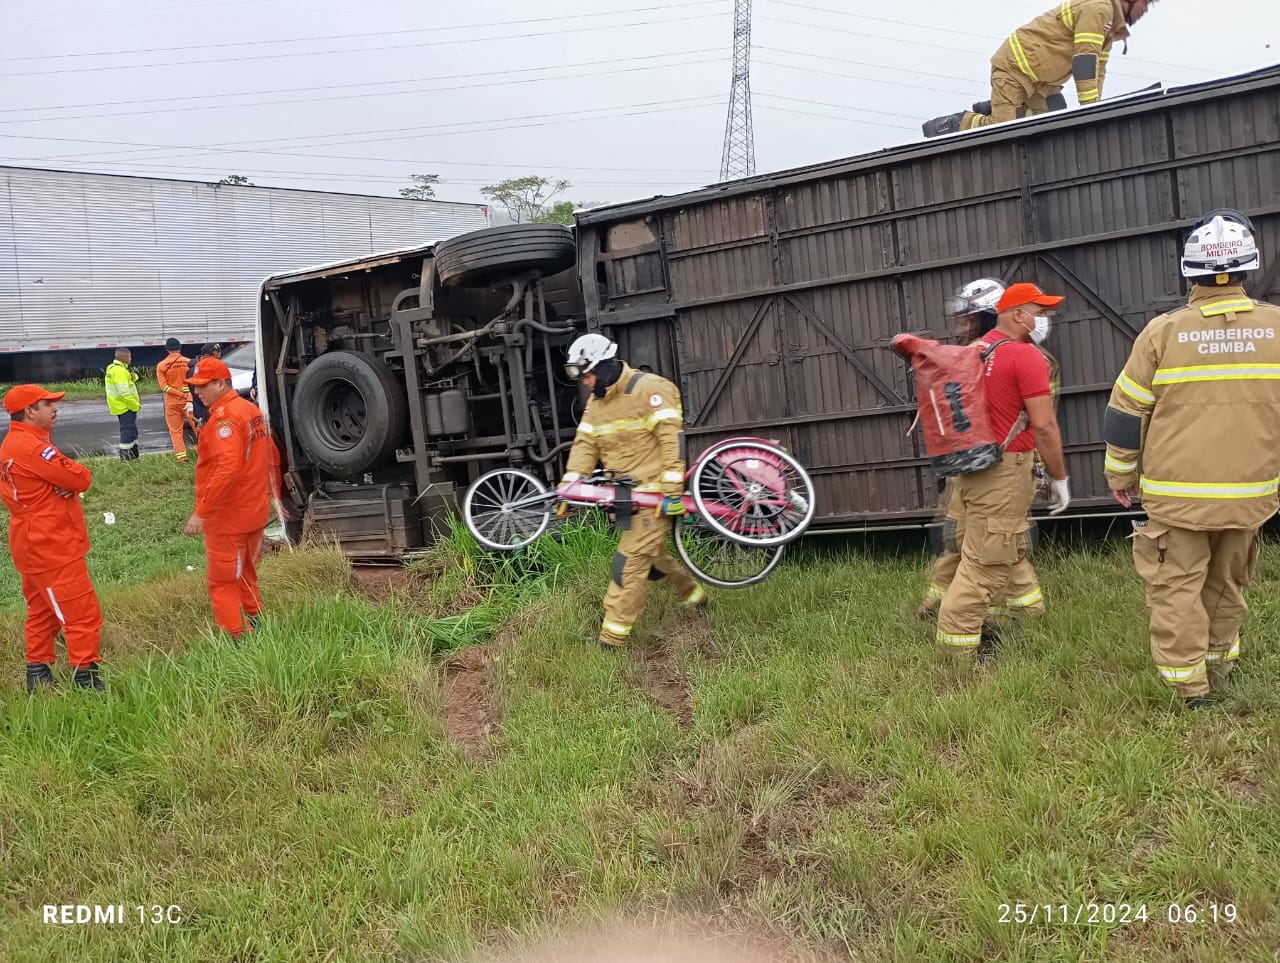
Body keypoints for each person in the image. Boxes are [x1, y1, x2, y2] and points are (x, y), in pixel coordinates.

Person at [1103, 209, 1280, 709]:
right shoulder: (1277, 329)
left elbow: (1125, 412)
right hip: (1251, 494)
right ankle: (1220, 659)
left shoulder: (1162, 333)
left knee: (1176, 585)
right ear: (1246, 269)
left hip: (1176, 496)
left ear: (1190, 272)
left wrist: (1119, 471)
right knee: (1227, 580)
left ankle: (1189, 686)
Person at [935, 283, 1072, 659]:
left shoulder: (974, 351)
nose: (1043, 319)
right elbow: (1044, 426)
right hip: (1006, 470)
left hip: (972, 468)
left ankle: (1027, 616)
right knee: (985, 564)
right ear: (1016, 314)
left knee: (1000, 546)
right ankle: (956, 656)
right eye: (1039, 311)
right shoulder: (1026, 357)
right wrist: (1059, 479)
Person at [557, 334, 705, 651]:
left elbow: (671, 441)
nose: (585, 380)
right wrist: (569, 489)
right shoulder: (597, 404)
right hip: (626, 499)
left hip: (655, 498)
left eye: (588, 372)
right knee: (653, 556)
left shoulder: (651, 389)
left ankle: (611, 639)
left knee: (629, 563)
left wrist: (672, 490)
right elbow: (585, 446)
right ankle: (695, 597)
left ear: (606, 365)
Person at [922, 0, 1156, 137]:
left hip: (1043, 84)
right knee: (1001, 129)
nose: (1145, 11)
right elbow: (1084, 62)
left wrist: (1095, 106)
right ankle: (955, 123)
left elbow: (1098, 69)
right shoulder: (1097, 9)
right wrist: (1090, 111)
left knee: (1050, 124)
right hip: (1015, 68)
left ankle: (999, 106)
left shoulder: (1111, 27)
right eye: (1146, 4)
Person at [0, 385, 105, 691]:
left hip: (30, 542)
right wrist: (70, 482)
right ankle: (87, 678)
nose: (55, 408)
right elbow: (80, 477)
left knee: (42, 610)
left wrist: (65, 484)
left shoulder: (14, 442)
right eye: (48, 404)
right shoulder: (34, 448)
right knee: (80, 611)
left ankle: (38, 672)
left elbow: (63, 481)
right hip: (52, 543)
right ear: (30, 411)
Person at [183, 357, 272, 639]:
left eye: (202, 386)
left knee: (222, 582)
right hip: (253, 511)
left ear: (221, 383)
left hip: (229, 517)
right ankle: (257, 621)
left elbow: (227, 468)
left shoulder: (225, 419)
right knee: (245, 570)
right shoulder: (250, 410)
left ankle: (235, 638)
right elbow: (271, 455)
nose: (197, 392)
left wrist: (202, 512)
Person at [156, 337, 196, 461]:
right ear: (180, 348)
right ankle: (207, 453)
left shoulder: (161, 365)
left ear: (167, 349)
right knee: (198, 427)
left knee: (175, 431)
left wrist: (179, 394)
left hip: (172, 402)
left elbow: (164, 387)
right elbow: (195, 383)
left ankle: (181, 458)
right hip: (190, 400)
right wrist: (186, 395)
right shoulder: (189, 362)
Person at [104, 347, 141, 460]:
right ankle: (126, 459)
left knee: (131, 431)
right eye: (129, 356)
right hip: (125, 407)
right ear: (124, 358)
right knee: (128, 433)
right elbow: (124, 393)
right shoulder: (120, 371)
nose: (131, 359)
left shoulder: (114, 368)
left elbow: (124, 382)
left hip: (119, 406)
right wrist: (135, 406)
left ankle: (134, 456)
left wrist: (133, 377)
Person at [187, 343, 221, 427]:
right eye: (216, 358)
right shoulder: (195, 371)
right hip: (204, 414)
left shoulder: (209, 367)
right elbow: (199, 397)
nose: (218, 361)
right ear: (206, 356)